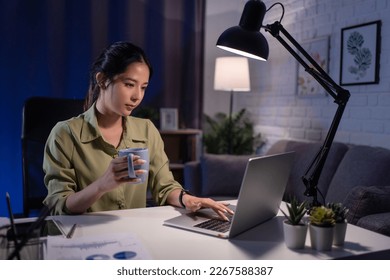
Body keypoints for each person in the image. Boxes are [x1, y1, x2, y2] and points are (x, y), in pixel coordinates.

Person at [43, 41, 233, 220]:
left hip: (135, 233)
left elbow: (165, 186)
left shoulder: (146, 130)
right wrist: (102, 185)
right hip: (85, 237)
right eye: (129, 85)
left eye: (143, 87)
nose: (137, 96)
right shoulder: (65, 134)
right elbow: (59, 205)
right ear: (102, 80)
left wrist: (188, 199)